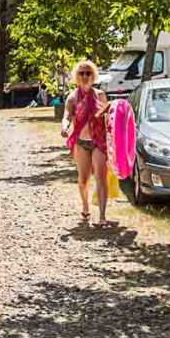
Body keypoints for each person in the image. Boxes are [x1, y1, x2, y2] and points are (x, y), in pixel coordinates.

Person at [61, 61, 115, 228]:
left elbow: (108, 118)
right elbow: (66, 116)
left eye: (88, 73)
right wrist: (64, 127)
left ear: (93, 76)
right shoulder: (72, 97)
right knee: (83, 179)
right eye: (82, 73)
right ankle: (85, 207)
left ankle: (102, 216)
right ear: (76, 76)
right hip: (81, 143)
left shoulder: (100, 95)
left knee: (101, 177)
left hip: (99, 142)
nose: (85, 76)